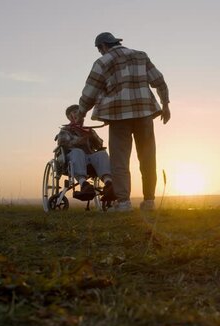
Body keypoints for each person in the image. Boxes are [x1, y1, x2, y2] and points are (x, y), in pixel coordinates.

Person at [75, 32, 170, 211]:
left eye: (99, 49)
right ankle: (149, 201)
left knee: (120, 160)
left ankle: (124, 202)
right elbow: (159, 81)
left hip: (118, 116)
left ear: (103, 46)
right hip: (144, 114)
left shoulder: (103, 62)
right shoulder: (141, 55)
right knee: (148, 158)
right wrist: (165, 105)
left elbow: (90, 92)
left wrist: (81, 114)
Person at [56, 104, 114, 201]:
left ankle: (109, 184)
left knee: (102, 153)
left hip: (89, 157)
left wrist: (92, 136)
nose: (78, 114)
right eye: (74, 112)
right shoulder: (65, 130)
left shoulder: (89, 130)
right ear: (69, 117)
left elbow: (99, 145)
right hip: (72, 158)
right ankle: (84, 184)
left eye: (79, 112)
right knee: (78, 152)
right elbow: (62, 142)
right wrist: (78, 141)